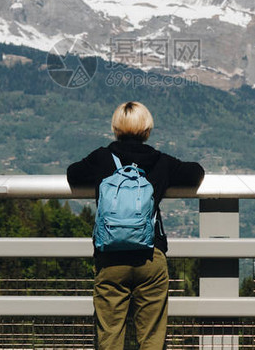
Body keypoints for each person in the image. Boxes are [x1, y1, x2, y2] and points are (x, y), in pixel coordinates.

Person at [67, 101, 205, 350]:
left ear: (115, 129)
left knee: (109, 336)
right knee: (151, 338)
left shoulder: (101, 158)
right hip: (150, 257)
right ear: (147, 130)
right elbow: (195, 172)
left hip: (109, 258)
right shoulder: (160, 161)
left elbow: (73, 174)